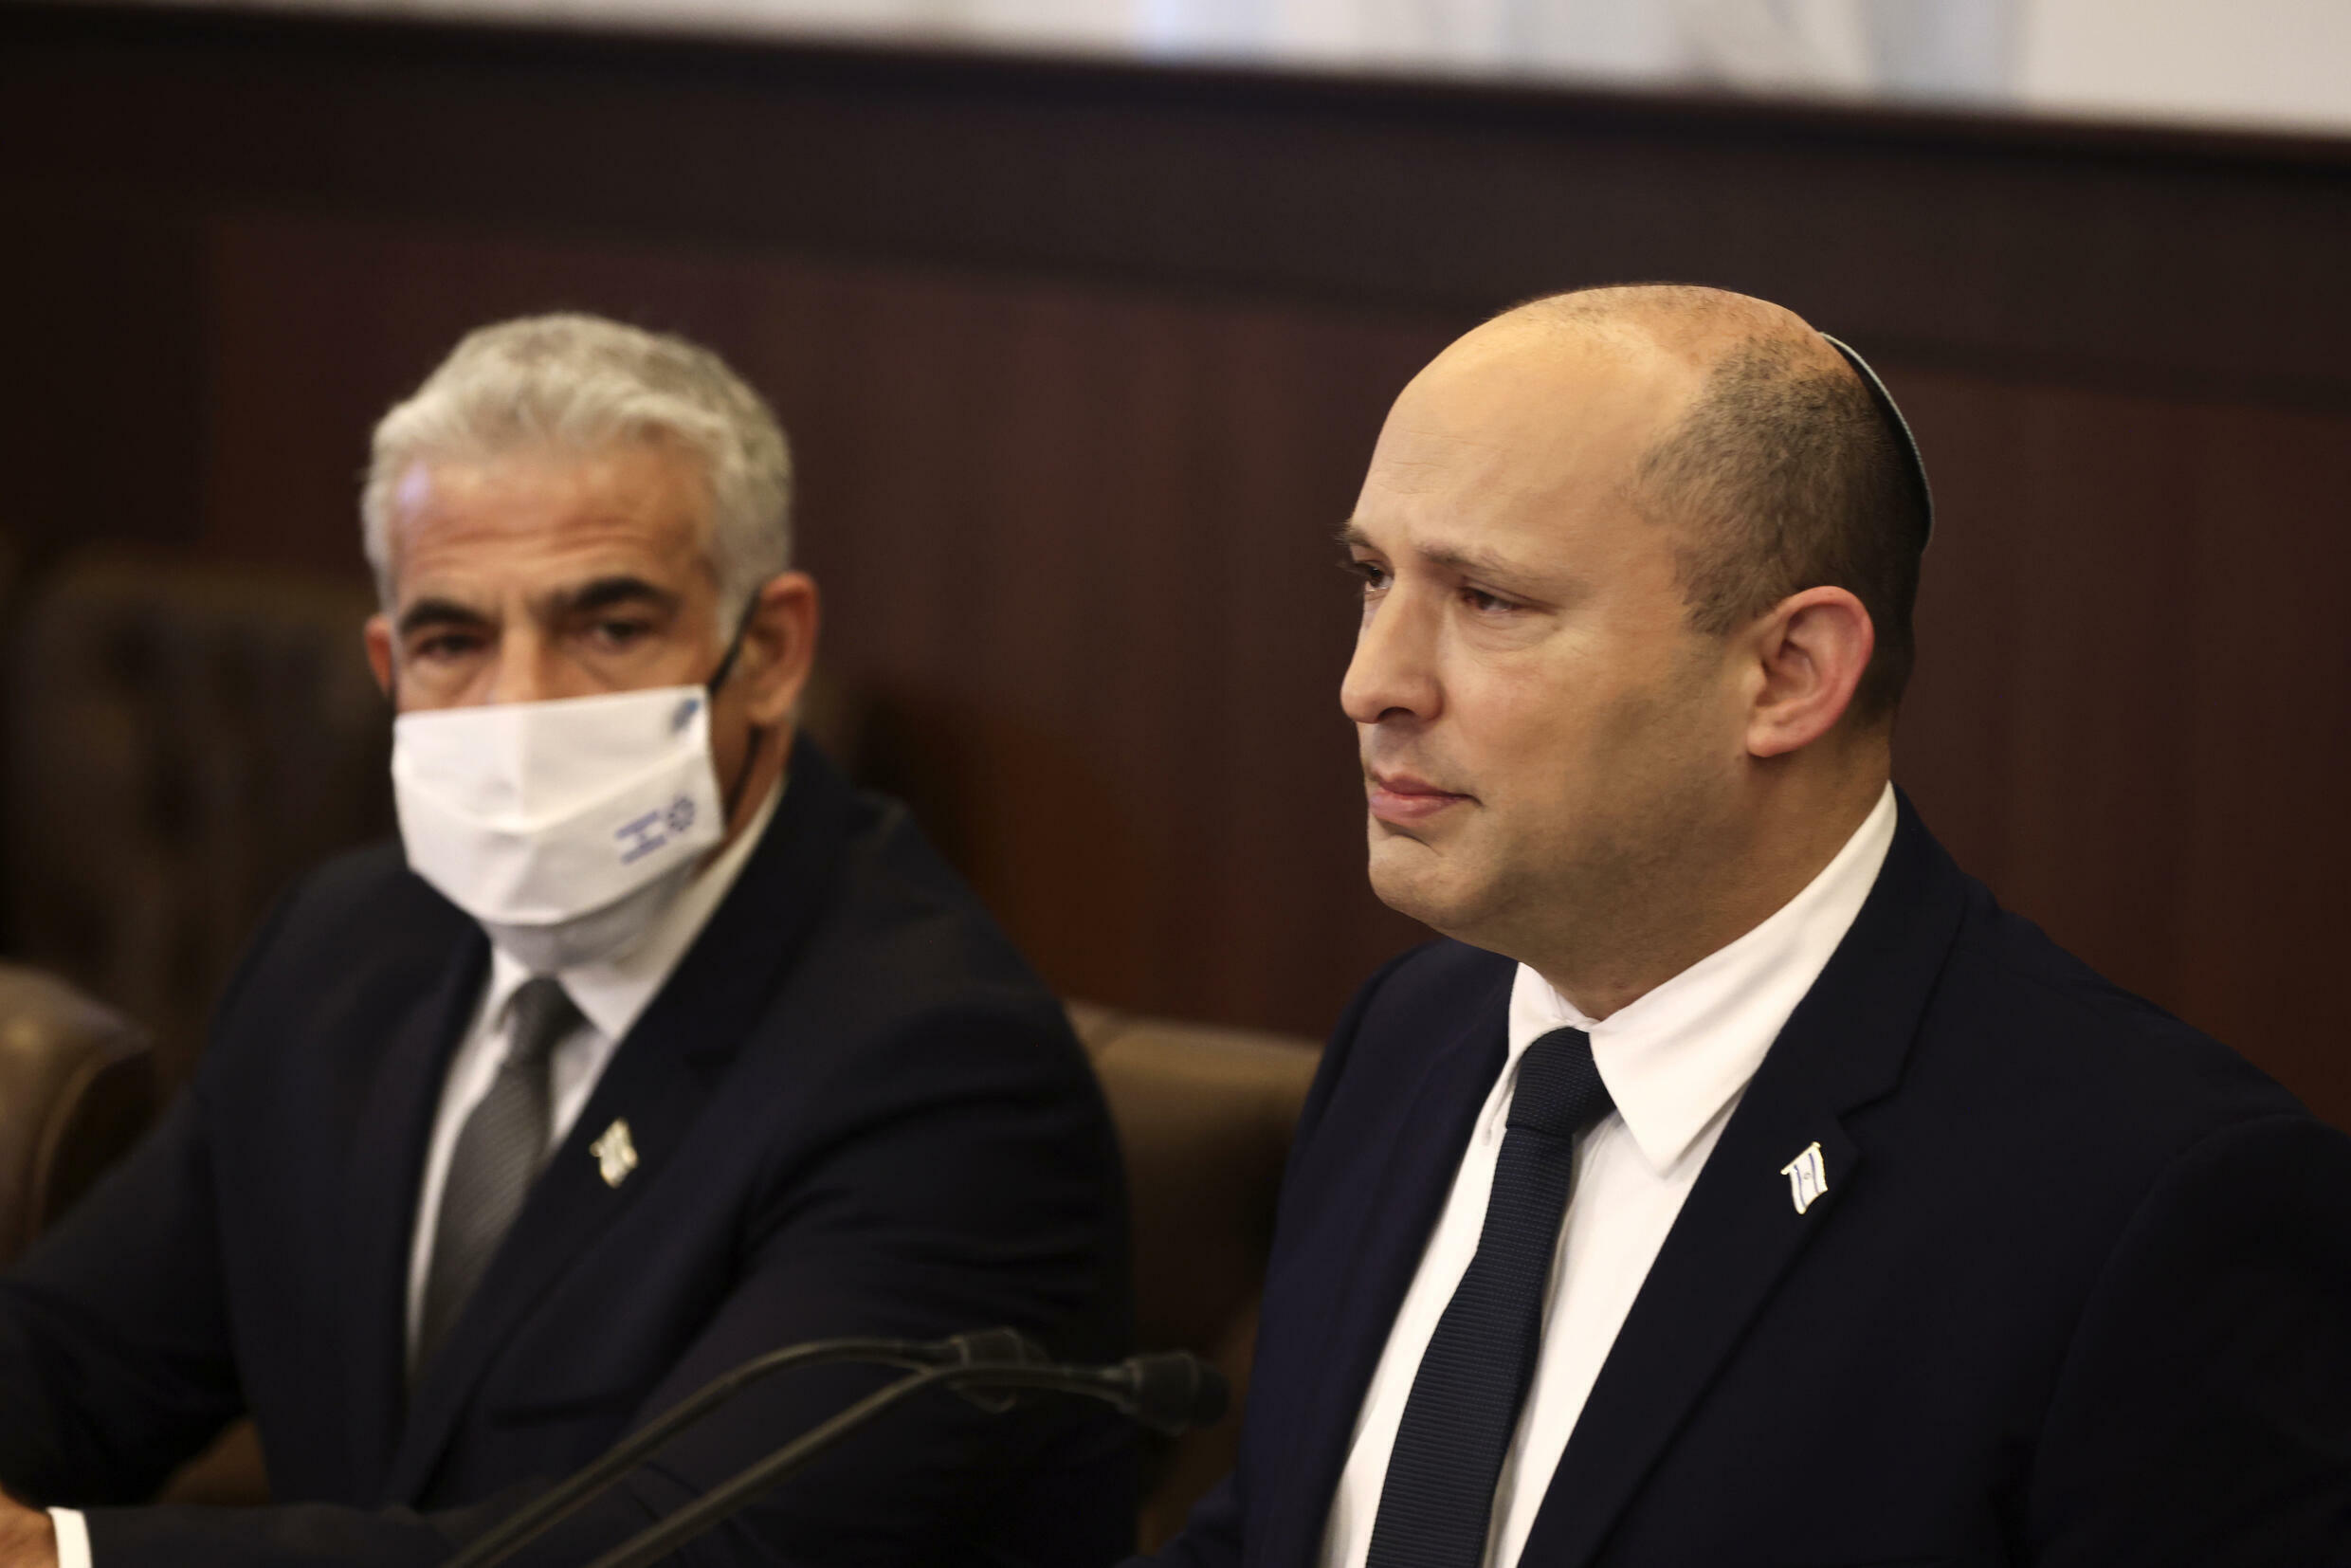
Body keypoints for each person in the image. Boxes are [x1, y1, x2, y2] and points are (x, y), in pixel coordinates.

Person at [1138, 284, 2351, 1568]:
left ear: (1789, 674)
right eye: (1374, 578)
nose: (1370, 680)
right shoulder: (1412, 1038)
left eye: (1488, 599)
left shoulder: (2151, 1203)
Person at [0, 315, 1135, 1567]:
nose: (522, 705)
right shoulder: (341, 948)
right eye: (454, 640)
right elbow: (78, 1361)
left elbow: (661, 1550)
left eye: (608, 626)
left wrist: (64, 1560)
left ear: (768, 652)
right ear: (389, 665)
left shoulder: (942, 1071)